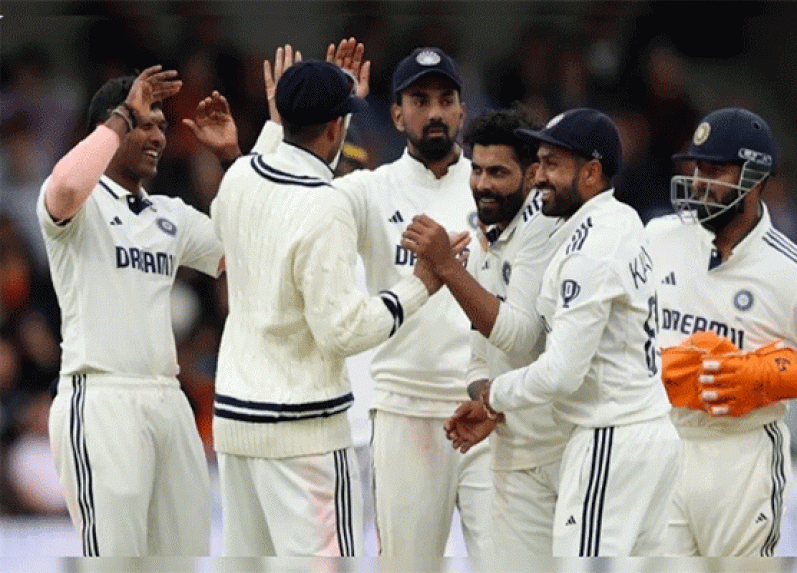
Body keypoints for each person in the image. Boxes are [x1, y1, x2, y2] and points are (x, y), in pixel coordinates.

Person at [209, 54, 448, 556]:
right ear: (337, 128)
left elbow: (260, 175)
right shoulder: (325, 204)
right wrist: (420, 285)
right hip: (305, 435)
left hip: (234, 425)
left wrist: (282, 120)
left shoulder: (239, 176)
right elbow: (342, 331)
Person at [445, 108, 681, 556]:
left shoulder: (591, 246)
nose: (538, 177)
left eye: (552, 165)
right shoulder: (620, 220)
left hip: (610, 433)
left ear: (591, 172)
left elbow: (561, 373)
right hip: (646, 433)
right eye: (538, 163)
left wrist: (494, 396)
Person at [38, 65, 243, 556]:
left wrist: (232, 160)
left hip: (168, 399)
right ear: (108, 128)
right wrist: (122, 116)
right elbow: (64, 187)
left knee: (182, 558)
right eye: (142, 124)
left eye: (160, 126)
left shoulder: (169, 214)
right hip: (100, 396)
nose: (156, 136)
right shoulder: (79, 205)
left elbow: (248, 246)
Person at [651, 107, 797, 556]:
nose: (699, 181)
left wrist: (763, 378)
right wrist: (650, 364)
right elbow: (620, 325)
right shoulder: (658, 237)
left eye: (715, 170)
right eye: (697, 167)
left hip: (742, 454)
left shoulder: (795, 271)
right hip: (662, 444)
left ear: (755, 177)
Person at [334, 47, 492, 567]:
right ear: (397, 115)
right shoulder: (369, 190)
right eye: (419, 100)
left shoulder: (496, 189)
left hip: (488, 408)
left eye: (446, 99)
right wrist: (336, 109)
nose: (435, 112)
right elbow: (302, 201)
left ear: (462, 111)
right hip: (404, 408)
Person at [401, 108, 568, 560]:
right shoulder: (487, 239)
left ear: (531, 175)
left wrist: (447, 267)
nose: (482, 184)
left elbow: (519, 336)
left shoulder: (544, 230)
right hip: (515, 452)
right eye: (476, 170)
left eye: (498, 172)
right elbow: (479, 356)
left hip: (563, 452)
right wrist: (488, 403)